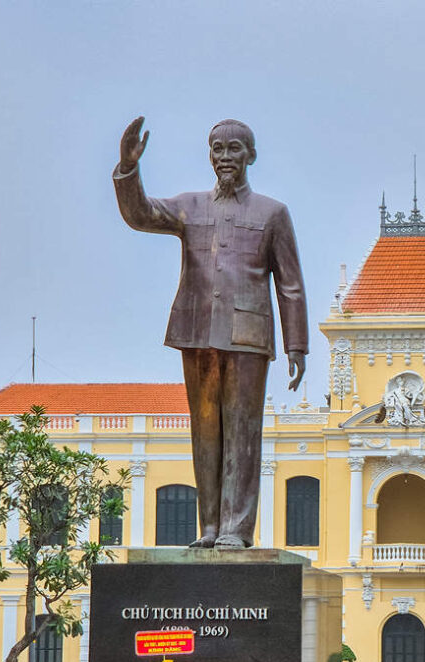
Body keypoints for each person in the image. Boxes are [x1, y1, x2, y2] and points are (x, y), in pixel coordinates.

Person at [114, 117, 309, 549]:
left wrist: (297, 345)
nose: (224, 157)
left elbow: (290, 284)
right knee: (205, 432)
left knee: (242, 431)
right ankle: (210, 527)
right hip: (197, 330)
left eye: (234, 149)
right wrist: (128, 168)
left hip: (248, 335)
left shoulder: (272, 213)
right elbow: (140, 213)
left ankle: (236, 529)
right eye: (217, 149)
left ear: (250, 155)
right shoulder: (190, 207)